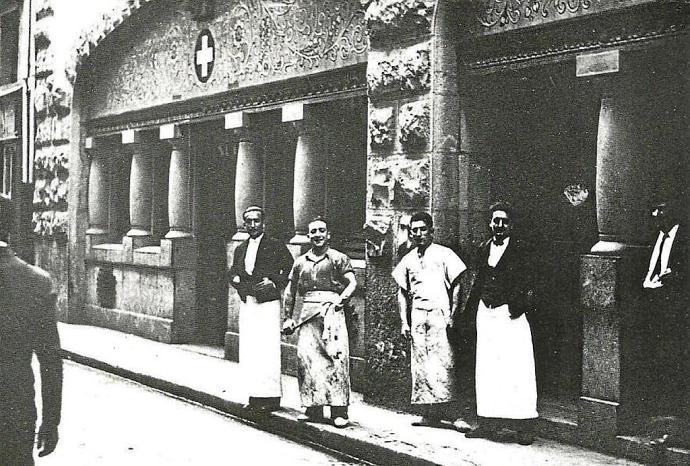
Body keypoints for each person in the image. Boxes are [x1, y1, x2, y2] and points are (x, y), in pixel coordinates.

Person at [463, 201, 538, 445]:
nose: (500, 226)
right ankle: (487, 422)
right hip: (487, 313)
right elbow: (478, 279)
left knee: (517, 369)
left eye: (504, 221)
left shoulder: (523, 250)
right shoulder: (484, 248)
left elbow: (531, 283)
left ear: (511, 225)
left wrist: (518, 306)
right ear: (490, 223)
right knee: (487, 368)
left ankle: (524, 426)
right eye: (496, 221)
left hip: (511, 314)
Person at [392, 212, 470, 431]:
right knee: (422, 367)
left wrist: (453, 314)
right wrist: (404, 322)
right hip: (418, 316)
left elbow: (457, 285)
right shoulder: (408, 259)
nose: (418, 234)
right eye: (413, 230)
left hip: (440, 315)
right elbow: (402, 292)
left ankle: (456, 416)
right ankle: (430, 415)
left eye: (422, 229)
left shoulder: (445, 254)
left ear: (431, 231)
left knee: (445, 364)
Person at [0, 194, 62, 465]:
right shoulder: (37, 282)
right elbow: (50, 361)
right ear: (11, 227)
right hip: (17, 408)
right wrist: (51, 421)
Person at [282, 217, 357, 428]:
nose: (317, 235)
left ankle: (339, 411)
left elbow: (352, 283)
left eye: (321, 231)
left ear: (328, 234)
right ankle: (313, 408)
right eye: (313, 232)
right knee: (307, 358)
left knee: (336, 358)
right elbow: (291, 291)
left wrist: (341, 300)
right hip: (308, 312)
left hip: (332, 311)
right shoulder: (300, 262)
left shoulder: (338, 258)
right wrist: (288, 317)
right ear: (308, 236)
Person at [230, 206, 294, 412]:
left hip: (267, 303)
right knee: (250, 349)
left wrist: (274, 281)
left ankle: (271, 397)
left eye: (256, 221)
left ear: (263, 223)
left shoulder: (274, 245)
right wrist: (235, 279)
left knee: (268, 349)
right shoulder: (241, 248)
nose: (252, 225)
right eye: (248, 221)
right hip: (248, 302)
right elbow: (233, 271)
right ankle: (254, 396)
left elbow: (290, 267)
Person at [641, 200, 689, 448]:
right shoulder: (655, 236)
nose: (656, 214)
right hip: (653, 313)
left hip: (676, 316)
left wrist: (676, 278)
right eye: (654, 209)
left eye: (662, 208)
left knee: (674, 370)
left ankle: (671, 431)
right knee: (656, 368)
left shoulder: (684, 237)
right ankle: (658, 427)